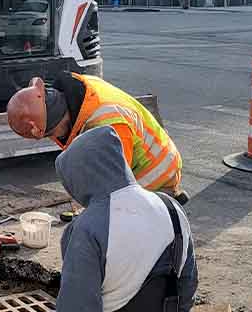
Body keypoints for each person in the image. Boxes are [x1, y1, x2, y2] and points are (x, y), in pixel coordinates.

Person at [55, 126, 197, 312]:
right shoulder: (171, 206)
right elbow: (187, 283)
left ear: (79, 179)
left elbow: (77, 305)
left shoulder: (86, 228)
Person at [6, 72, 188, 204]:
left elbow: (119, 184)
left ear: (58, 121)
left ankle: (165, 199)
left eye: (51, 134)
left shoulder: (108, 125)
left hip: (156, 172)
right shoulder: (79, 94)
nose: (53, 138)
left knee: (117, 221)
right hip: (151, 155)